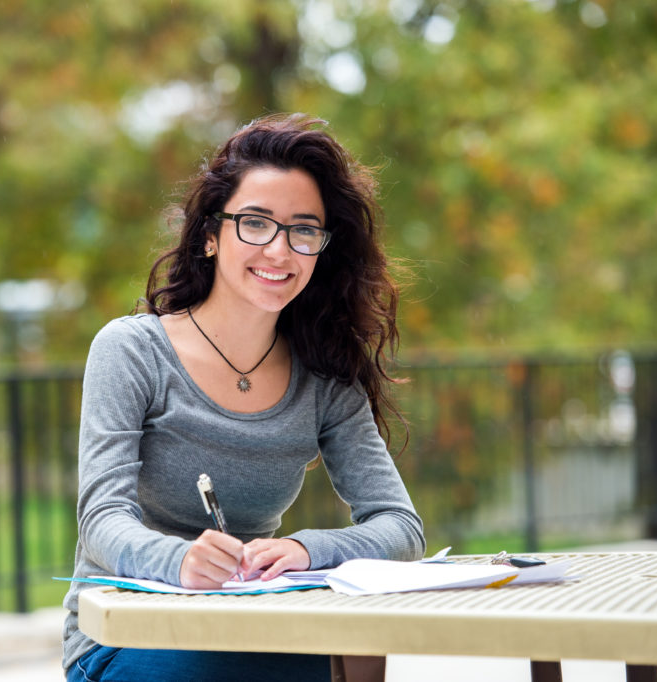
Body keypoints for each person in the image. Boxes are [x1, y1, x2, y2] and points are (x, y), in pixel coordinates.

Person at [62, 113, 425, 681]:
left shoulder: (325, 377)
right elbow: (102, 519)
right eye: (256, 223)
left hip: (257, 630)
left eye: (304, 230)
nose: (279, 251)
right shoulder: (131, 350)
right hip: (129, 637)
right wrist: (180, 561)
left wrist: (306, 551)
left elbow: (400, 527)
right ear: (211, 236)